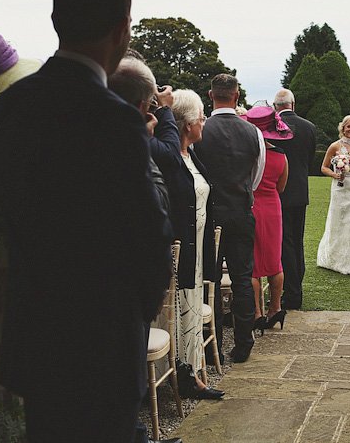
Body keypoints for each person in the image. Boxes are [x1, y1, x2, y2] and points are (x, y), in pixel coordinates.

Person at [0, 0, 175, 443]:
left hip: (36, 328)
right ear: (121, 31)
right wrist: (137, 312)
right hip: (102, 337)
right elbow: (149, 233)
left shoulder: (12, 106)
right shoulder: (115, 120)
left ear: (56, 22)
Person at [108, 59, 224, 405]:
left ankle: (192, 373)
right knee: (175, 313)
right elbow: (169, 161)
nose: (204, 123)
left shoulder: (193, 155)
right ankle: (179, 378)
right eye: (201, 118)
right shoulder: (165, 150)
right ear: (187, 123)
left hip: (196, 246)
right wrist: (166, 113)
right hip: (175, 247)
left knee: (190, 310)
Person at [193, 73, 265, 363]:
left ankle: (213, 345)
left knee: (207, 278)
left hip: (209, 214)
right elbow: (256, 177)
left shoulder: (201, 130)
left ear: (211, 96)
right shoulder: (254, 133)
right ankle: (244, 342)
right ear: (236, 96)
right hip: (240, 211)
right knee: (242, 277)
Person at [241, 106, 291, 330]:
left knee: (252, 264)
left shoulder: (247, 155)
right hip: (273, 208)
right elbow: (281, 187)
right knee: (274, 261)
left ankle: (257, 313)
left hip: (251, 206)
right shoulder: (281, 155)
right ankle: (276, 308)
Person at [272, 88, 317, 310]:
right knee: (296, 241)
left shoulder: (272, 127)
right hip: (300, 190)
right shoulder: (309, 127)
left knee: (284, 243)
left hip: (278, 190)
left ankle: (292, 294)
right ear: (293, 104)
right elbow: (309, 159)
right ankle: (297, 287)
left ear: (275, 106)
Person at [316, 115, 350, 275]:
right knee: (339, 223)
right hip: (340, 188)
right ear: (343, 128)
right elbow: (324, 167)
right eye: (349, 127)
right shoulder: (334, 146)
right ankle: (337, 260)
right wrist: (335, 175)